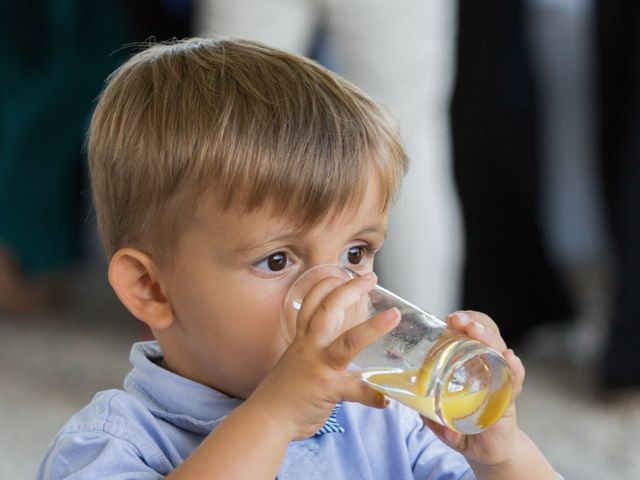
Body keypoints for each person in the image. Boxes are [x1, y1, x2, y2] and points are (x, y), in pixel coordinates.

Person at [38, 38, 560, 479]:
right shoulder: (113, 445)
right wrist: (275, 415)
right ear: (150, 288)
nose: (332, 294)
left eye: (355, 253)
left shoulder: (385, 420)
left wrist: (503, 456)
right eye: (277, 261)